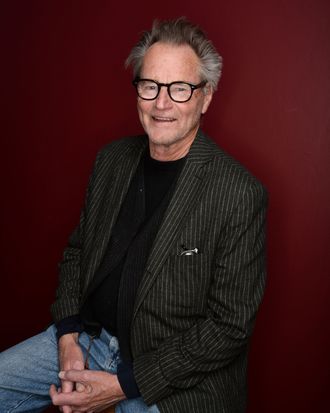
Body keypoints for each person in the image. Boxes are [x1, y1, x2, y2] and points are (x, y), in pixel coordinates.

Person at [0, 18, 267, 413]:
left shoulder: (239, 193)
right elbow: (77, 253)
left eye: (180, 89)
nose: (162, 103)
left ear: (205, 97)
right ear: (138, 90)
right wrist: (68, 337)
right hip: (90, 340)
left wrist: (124, 384)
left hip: (169, 376)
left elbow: (228, 327)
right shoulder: (111, 161)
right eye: (150, 86)